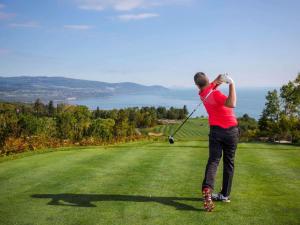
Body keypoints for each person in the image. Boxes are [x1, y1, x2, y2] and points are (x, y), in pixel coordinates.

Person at [194, 72, 239, 212]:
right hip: (231, 131)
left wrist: (219, 80)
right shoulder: (215, 94)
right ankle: (225, 195)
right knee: (229, 162)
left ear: (197, 85)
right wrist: (231, 84)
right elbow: (232, 103)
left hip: (215, 131)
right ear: (208, 79)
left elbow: (210, 85)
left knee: (213, 160)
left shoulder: (202, 93)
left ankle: (207, 188)